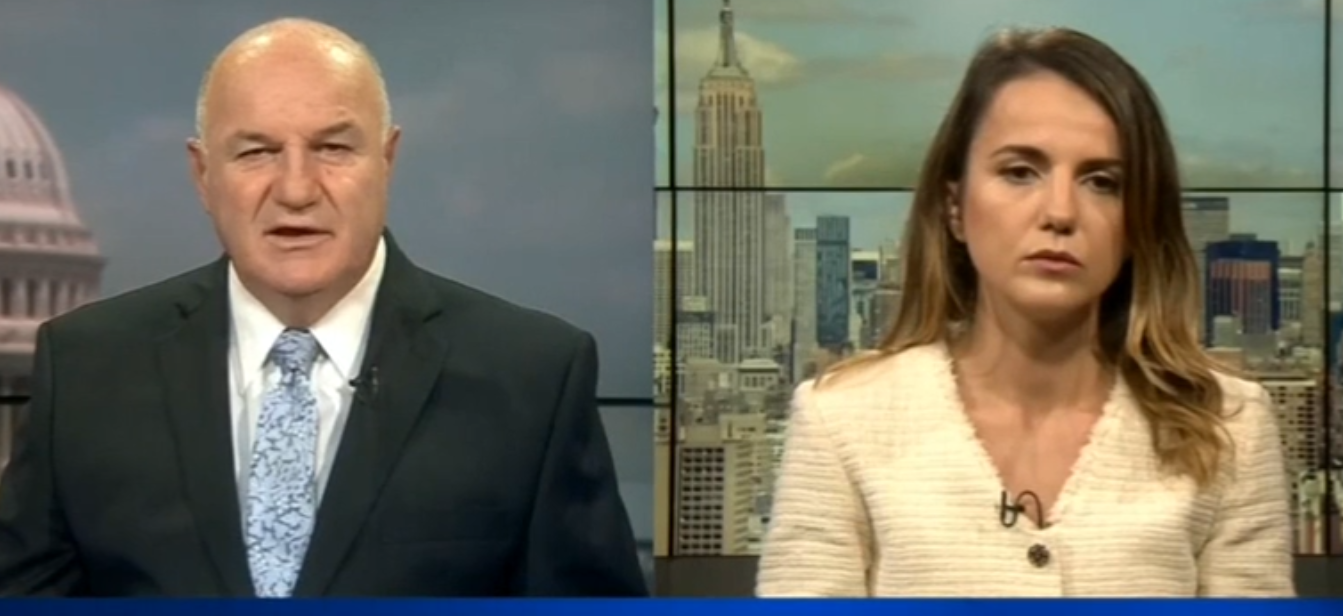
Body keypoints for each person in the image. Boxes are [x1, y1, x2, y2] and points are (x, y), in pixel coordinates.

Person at [0, 18, 647, 597]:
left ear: (386, 160)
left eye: (333, 148)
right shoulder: (86, 369)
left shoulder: (532, 377)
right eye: (256, 152)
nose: (296, 189)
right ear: (203, 174)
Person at [756, 27, 1294, 597]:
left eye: (1102, 182)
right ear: (955, 207)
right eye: (1019, 172)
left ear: (1138, 222)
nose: (1060, 212)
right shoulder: (842, 421)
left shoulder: (1228, 428)